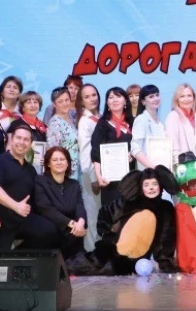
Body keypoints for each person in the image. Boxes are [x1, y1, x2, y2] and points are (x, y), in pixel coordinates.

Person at [0, 124, 59, 250]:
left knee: (49, 231)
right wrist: (16, 206)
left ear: (30, 144)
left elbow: (37, 198)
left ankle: (18, 255)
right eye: (18, 138)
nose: (22, 142)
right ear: (12, 139)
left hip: (22, 220)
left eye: (26, 139)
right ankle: (10, 257)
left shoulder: (31, 170)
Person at [95, 167, 179, 275]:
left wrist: (165, 262)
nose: (151, 188)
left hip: (141, 259)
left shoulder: (165, 208)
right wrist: (107, 235)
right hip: (118, 254)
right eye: (146, 185)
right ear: (141, 187)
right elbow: (105, 213)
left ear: (160, 186)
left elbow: (166, 239)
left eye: (154, 184)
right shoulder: (130, 203)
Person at [33, 147, 90, 268]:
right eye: (55, 160)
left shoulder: (74, 184)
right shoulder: (40, 181)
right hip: (51, 228)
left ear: (68, 163)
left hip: (72, 231)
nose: (59, 162)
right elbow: (45, 209)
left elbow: (80, 206)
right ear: (48, 164)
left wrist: (81, 222)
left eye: (62, 159)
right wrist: (72, 224)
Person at [91, 87, 135, 208]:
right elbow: (95, 152)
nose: (114, 100)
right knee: (112, 213)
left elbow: (139, 148)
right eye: (111, 97)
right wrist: (98, 176)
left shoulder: (133, 122)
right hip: (110, 180)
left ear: (125, 101)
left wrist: (132, 154)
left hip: (131, 179)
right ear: (107, 104)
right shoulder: (102, 124)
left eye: (118, 96)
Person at [76, 83, 102, 252]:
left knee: (101, 215)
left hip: (102, 175)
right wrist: (93, 178)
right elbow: (85, 153)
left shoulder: (100, 117)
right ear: (81, 101)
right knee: (92, 216)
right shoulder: (85, 121)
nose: (92, 99)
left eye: (94, 95)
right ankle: (91, 253)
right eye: (87, 97)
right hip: (91, 176)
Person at [131, 85, 169, 170]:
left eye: (157, 95)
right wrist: (153, 168)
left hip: (162, 169)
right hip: (148, 171)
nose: (156, 98)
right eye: (151, 96)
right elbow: (135, 148)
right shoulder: (141, 119)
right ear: (143, 101)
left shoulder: (160, 124)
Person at [46, 87, 81, 181]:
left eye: (67, 100)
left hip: (75, 169)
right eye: (60, 101)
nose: (65, 103)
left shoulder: (70, 119)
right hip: (63, 173)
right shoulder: (55, 123)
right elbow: (53, 151)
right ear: (54, 104)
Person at [165, 83, 196, 165]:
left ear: (194, 98)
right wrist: (178, 165)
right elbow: (173, 144)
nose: (186, 99)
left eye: (189, 96)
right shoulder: (173, 116)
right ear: (177, 100)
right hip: (183, 165)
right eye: (182, 96)